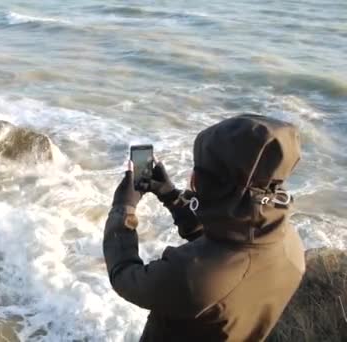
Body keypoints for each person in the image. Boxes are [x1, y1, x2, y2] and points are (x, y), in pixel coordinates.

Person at [103, 114, 305, 342]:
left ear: (197, 181)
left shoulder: (192, 276)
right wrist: (172, 197)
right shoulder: (288, 241)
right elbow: (223, 246)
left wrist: (123, 207)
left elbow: (126, 278)